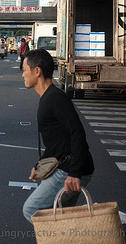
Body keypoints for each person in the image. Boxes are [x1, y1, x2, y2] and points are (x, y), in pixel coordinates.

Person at [21, 48, 94, 223]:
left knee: (32, 209)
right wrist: (39, 166)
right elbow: (57, 142)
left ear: (37, 71)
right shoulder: (48, 97)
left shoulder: (55, 98)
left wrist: (74, 173)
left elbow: (77, 133)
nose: (23, 75)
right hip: (73, 166)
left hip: (70, 170)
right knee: (61, 216)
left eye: (24, 70)